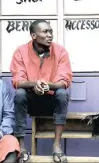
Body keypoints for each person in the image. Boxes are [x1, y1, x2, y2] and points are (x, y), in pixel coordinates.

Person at [10, 19, 73, 163]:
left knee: (62, 93)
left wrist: (47, 86)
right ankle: (21, 147)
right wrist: (35, 84)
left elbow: (64, 81)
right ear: (33, 35)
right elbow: (17, 81)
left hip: (51, 102)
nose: (50, 35)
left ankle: (56, 145)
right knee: (19, 93)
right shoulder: (20, 52)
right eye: (45, 32)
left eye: (51, 31)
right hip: (31, 102)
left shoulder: (60, 51)